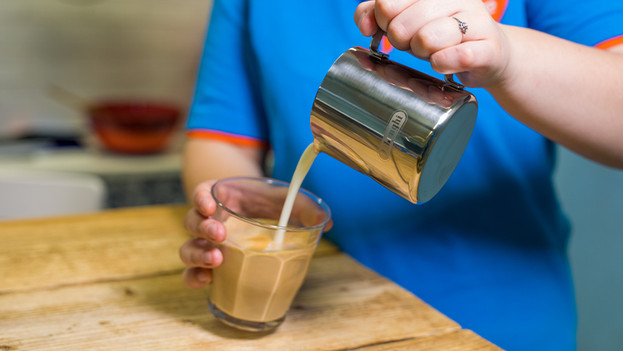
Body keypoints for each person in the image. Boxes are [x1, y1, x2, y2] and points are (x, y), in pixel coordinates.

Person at [178, 0, 622, 349]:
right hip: (311, 321)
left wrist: (505, 57)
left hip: (499, 329)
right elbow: (222, 137)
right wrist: (231, 212)